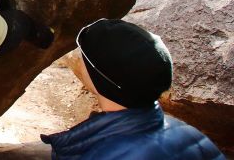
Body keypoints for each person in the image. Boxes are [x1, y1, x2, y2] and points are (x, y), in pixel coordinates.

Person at [41, 18, 225, 159]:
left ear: (100, 77)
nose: (80, 60)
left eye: (84, 56)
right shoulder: (189, 134)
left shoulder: (104, 154)